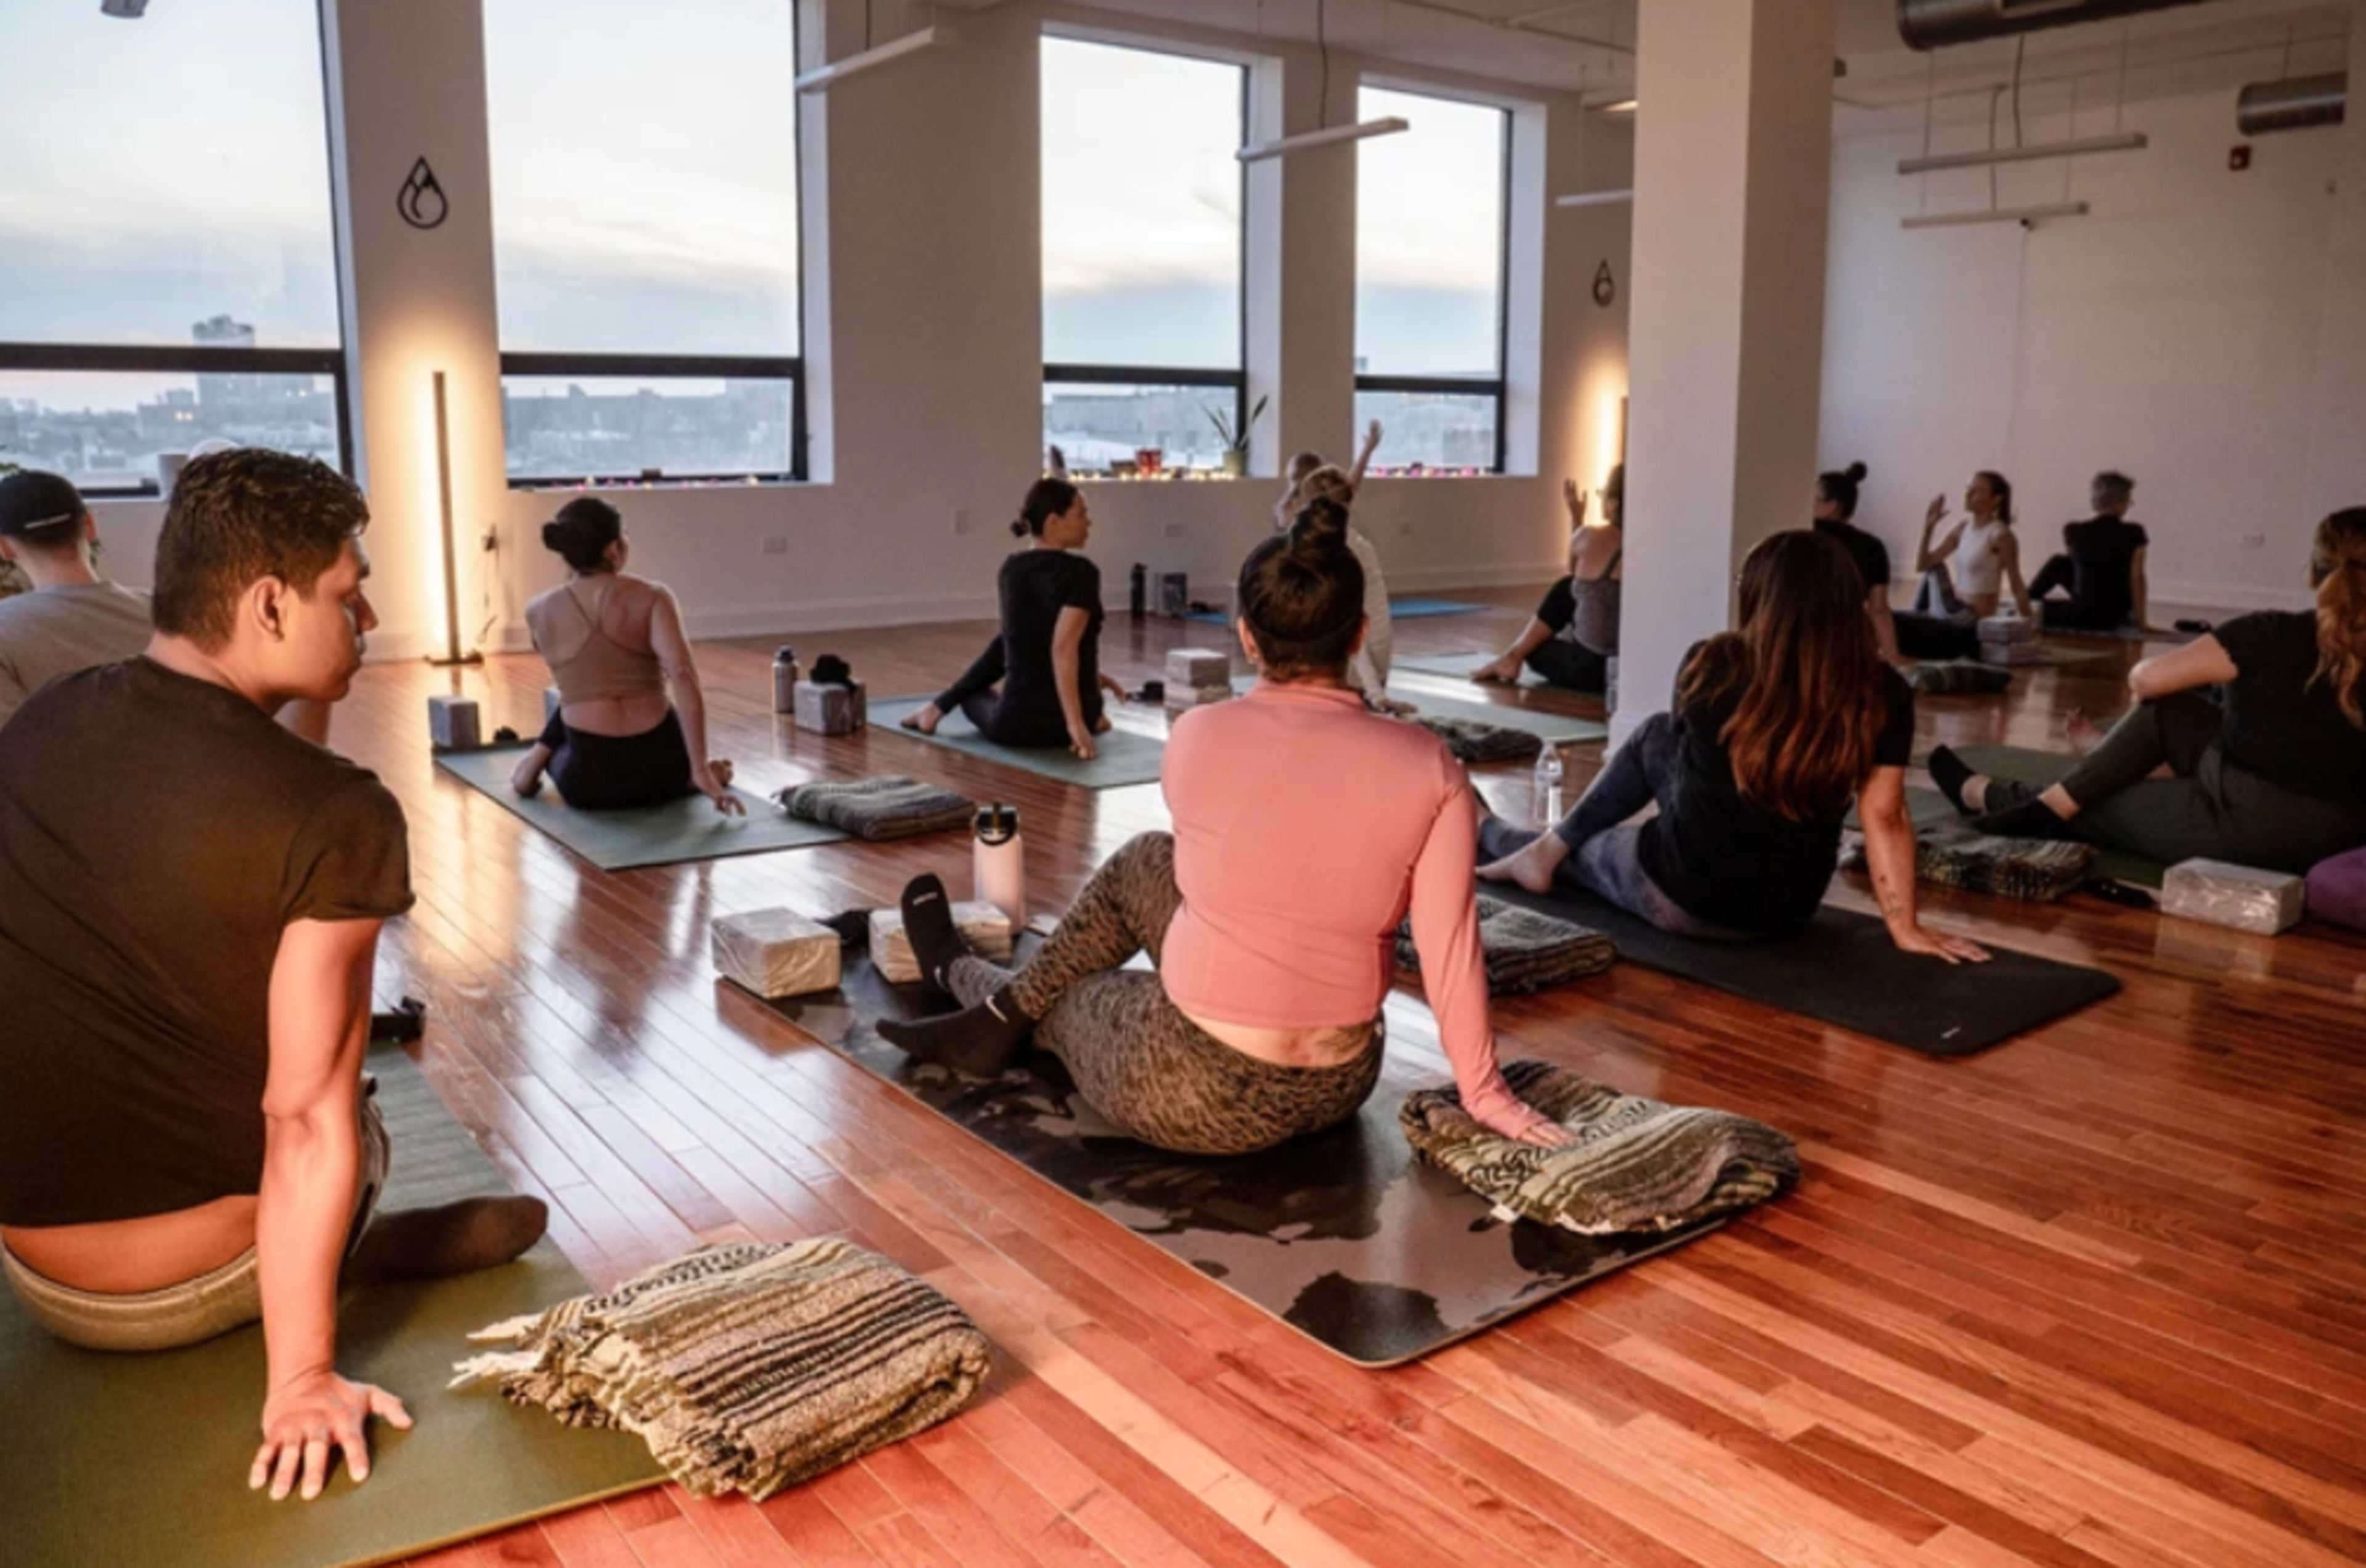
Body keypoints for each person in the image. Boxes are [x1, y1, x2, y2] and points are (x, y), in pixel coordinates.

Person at [0, 449, 547, 1502]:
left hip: (30, 1270)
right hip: (181, 1286)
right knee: (351, 1108)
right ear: (265, 601)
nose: (372, 616)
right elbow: (303, 1117)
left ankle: (315, 1257)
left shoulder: (47, 718)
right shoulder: (340, 818)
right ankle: (345, 1264)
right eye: (348, 592)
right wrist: (300, 1382)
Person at [872, 497, 1575, 1154]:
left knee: (1068, 999)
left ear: (1246, 637)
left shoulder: (1197, 735)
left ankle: (966, 987)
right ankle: (994, 1011)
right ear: (1359, 633)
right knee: (1149, 857)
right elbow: (1451, 949)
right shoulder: (1433, 764)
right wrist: (1485, 1093)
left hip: (1191, 1085)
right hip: (1341, 1080)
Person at [1478, 530, 1990, 963]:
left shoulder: (1713, 662)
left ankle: (1497, 833)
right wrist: (1906, 928)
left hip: (1683, 897)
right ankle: (1542, 849)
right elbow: (1886, 816)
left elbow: (1685, 769)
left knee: (1589, 849)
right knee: (1658, 735)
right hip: (1788, 911)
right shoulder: (1882, 689)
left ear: (1762, 599)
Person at [1927, 508, 2366, 872]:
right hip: (2343, 835)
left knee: (2096, 797)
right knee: (2170, 712)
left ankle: (1996, 797)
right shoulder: (2271, 635)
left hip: (2247, 823)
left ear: (2312, 572)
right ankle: (2102, 758)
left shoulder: (2269, 632)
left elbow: (2147, 680)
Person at [510, 497, 739, 813]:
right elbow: (683, 675)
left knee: (575, 697)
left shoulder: (537, 611)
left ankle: (530, 768)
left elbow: (577, 687)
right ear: (613, 549)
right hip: (664, 772)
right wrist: (699, 769)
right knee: (585, 696)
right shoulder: (654, 597)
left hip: (588, 782)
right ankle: (692, 778)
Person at [901, 479, 1126, 758]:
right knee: (1014, 644)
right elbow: (1063, 647)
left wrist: (1081, 709)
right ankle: (934, 710)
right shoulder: (1083, 573)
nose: (1089, 523)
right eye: (1082, 514)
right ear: (1054, 522)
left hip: (1018, 726)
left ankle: (934, 710)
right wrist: (1078, 724)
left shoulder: (1012, 570)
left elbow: (1040, 645)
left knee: (976, 690)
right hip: (1082, 718)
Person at [1472, 468, 1624, 691]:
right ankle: (1511, 658)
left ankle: (1512, 657)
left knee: (1538, 645)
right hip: (1627, 666)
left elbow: (1574, 572)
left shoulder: (1590, 537)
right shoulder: (1652, 543)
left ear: (1613, 504)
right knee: (1570, 590)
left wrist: (1576, 520)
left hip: (1591, 669)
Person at [1277, 421, 1394, 702]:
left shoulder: (1339, 547)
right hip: (1367, 655)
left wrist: (1376, 694)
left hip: (1364, 658)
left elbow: (1352, 630)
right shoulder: (1330, 529)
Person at [2030, 471, 2149, 633]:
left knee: (2059, 563)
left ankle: (2024, 603)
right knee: (2064, 563)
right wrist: (2141, 621)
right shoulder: (2135, 532)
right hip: (2115, 614)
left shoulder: (2073, 531)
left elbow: (2080, 571)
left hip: (2080, 613)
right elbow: (2137, 577)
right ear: (2120, 503)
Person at [1913, 471, 2031, 623]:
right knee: (1933, 569)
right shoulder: (1962, 529)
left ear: (1996, 500)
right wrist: (1928, 529)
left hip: (1972, 617)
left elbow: (2016, 583)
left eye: (1978, 491)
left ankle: (1920, 617)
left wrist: (2028, 627)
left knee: (1937, 570)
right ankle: (1917, 616)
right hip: (1955, 610)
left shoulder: (2000, 535)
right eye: (1968, 489)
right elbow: (1923, 565)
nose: (1968, 495)